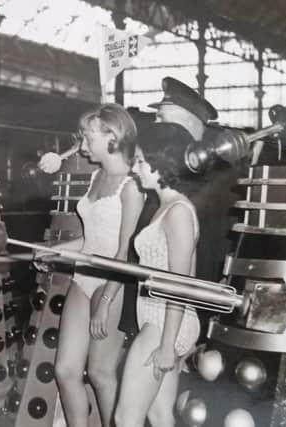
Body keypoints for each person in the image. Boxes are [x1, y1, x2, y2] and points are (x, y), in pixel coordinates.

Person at [51, 103, 143, 427]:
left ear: (112, 137)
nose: (81, 142)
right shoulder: (95, 176)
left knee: (102, 374)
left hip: (113, 282)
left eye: (88, 135)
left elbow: (125, 253)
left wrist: (104, 303)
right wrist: (52, 252)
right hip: (83, 277)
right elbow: (90, 241)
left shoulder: (131, 187)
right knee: (66, 371)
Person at [115, 123, 201, 427]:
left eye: (140, 160)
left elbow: (181, 284)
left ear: (162, 161)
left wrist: (167, 345)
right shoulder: (166, 207)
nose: (135, 168)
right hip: (163, 320)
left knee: (126, 418)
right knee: (160, 415)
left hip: (165, 321)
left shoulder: (177, 212)